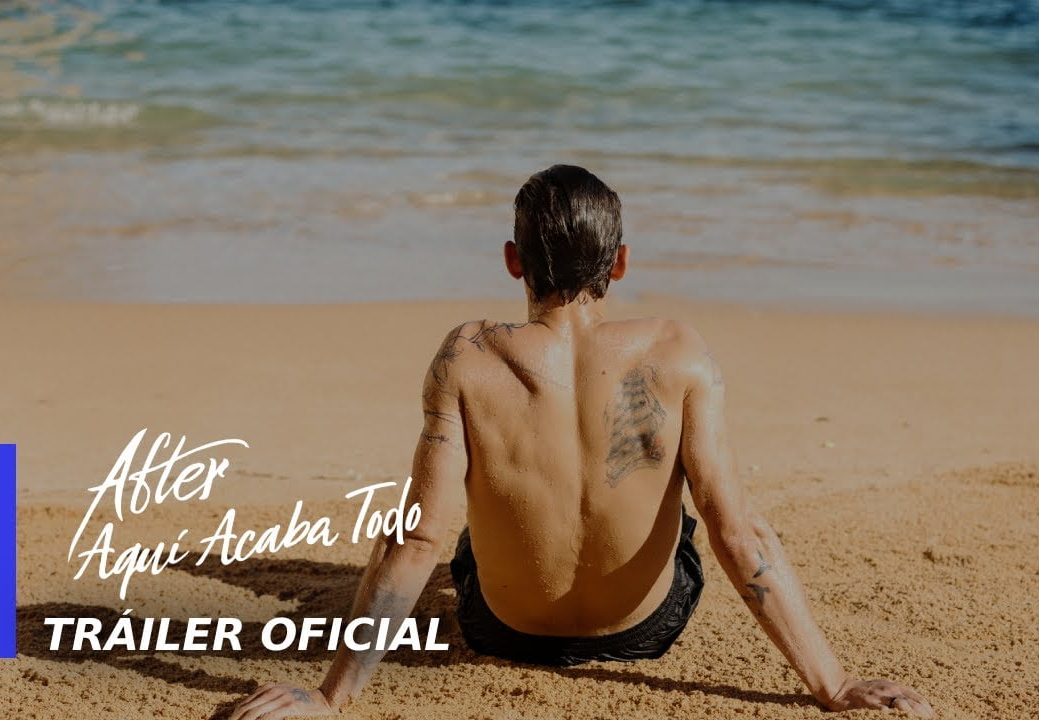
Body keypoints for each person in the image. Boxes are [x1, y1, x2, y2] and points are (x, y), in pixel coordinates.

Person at [230, 165, 934, 719]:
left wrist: (330, 696)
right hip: (644, 631)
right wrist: (833, 684)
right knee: (683, 518)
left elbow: (417, 539)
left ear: (514, 260)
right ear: (619, 262)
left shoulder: (468, 357)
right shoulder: (678, 351)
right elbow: (738, 531)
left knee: (460, 531)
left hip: (503, 631)